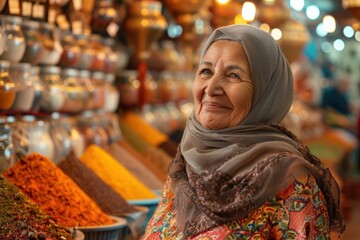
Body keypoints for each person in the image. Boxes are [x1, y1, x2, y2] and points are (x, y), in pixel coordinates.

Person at [142, 24, 345, 239]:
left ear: (265, 93)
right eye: (206, 71)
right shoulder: (189, 163)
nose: (210, 88)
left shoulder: (290, 182)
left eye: (233, 75)